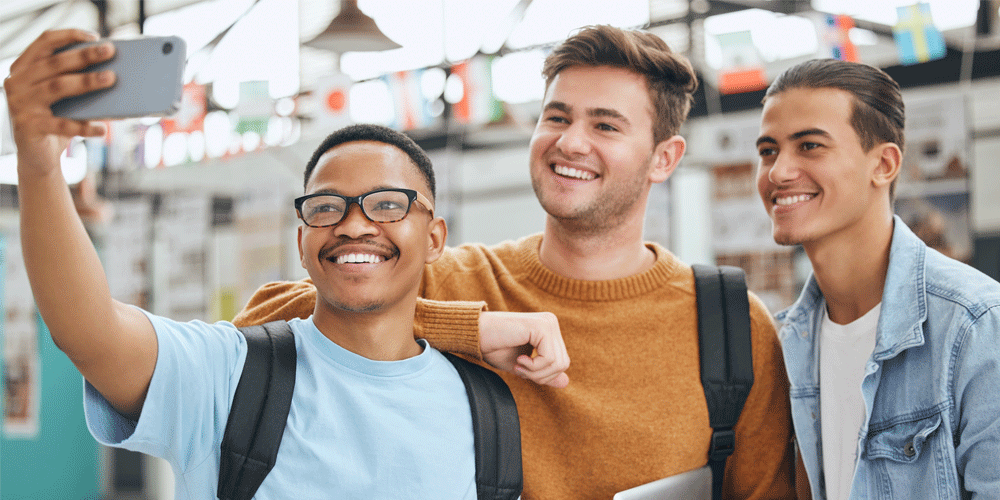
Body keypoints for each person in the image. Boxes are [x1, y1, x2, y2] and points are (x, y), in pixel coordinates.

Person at [236, 25, 797, 499]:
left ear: (664, 158)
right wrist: (466, 326)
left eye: (605, 125)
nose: (570, 142)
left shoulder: (731, 327)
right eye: (556, 117)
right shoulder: (452, 282)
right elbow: (257, 325)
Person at [4, 29, 556, 499]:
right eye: (327, 207)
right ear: (303, 242)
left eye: (388, 204)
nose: (355, 224)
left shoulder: (488, 410)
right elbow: (87, 328)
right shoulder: (231, 375)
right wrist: (39, 161)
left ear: (434, 237)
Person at [755, 58, 1000, 499]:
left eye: (809, 146)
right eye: (768, 150)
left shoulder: (975, 324)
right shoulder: (780, 342)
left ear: (884, 164)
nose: (777, 171)